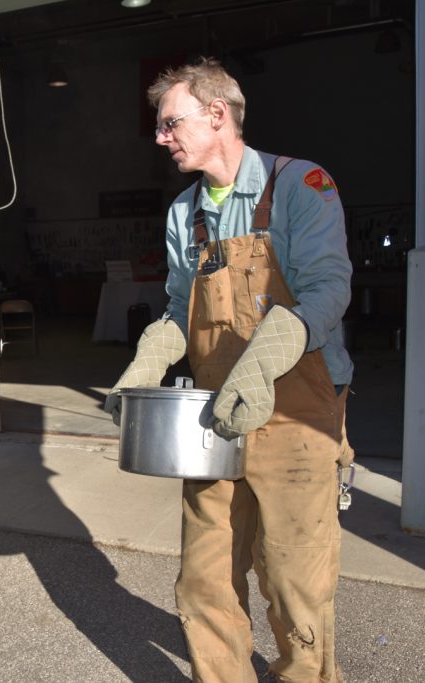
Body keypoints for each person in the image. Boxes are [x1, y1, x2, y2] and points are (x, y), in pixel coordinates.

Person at [106, 58, 354, 682]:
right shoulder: (183, 213)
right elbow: (178, 310)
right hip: (214, 418)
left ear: (217, 114)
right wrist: (144, 366)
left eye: (170, 123)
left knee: (293, 575)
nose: (160, 137)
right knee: (205, 575)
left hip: (298, 412)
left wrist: (260, 365)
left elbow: (328, 290)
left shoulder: (301, 185)